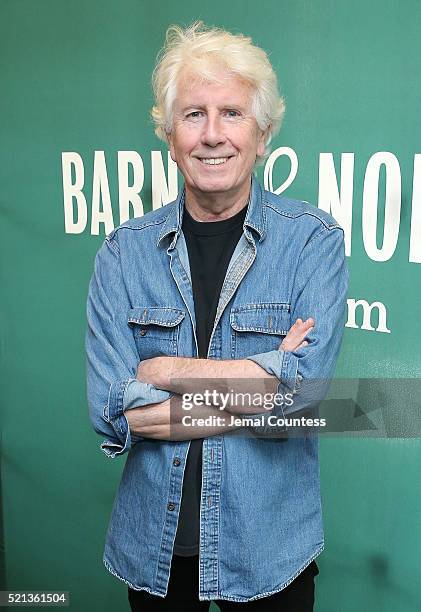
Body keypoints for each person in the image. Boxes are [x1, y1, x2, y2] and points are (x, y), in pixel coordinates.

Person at [85, 22, 348, 611]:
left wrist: (168, 369)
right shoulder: (124, 253)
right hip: (155, 556)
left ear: (262, 134)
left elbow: (304, 397)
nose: (212, 136)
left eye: (231, 113)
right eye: (193, 115)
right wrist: (263, 379)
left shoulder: (314, 243)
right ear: (170, 136)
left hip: (270, 555)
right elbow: (113, 412)